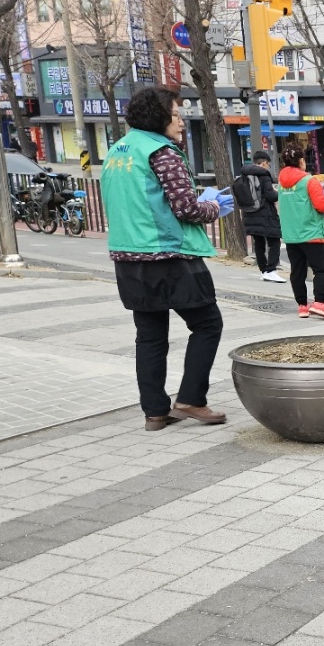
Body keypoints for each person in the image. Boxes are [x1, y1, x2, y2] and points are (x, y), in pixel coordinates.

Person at [103, 86, 236, 432]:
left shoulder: (118, 151)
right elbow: (187, 209)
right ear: (159, 117)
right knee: (207, 323)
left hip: (127, 259)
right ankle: (191, 399)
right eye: (176, 114)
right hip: (168, 256)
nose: (180, 121)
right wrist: (212, 206)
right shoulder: (162, 153)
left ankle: (155, 412)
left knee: (149, 335)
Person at [277, 143, 324, 319]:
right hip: (311, 233)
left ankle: (302, 306)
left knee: (297, 271)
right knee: (320, 270)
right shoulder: (309, 181)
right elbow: (321, 205)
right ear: (301, 161)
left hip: (291, 235)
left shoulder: (282, 182)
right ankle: (320, 303)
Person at [236, 150, 285, 283]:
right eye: (268, 164)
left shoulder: (245, 174)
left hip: (250, 213)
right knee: (274, 241)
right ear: (263, 163)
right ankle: (271, 270)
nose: (268, 167)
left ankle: (263, 270)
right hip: (265, 214)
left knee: (259, 242)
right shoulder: (263, 175)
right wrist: (280, 191)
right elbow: (270, 195)